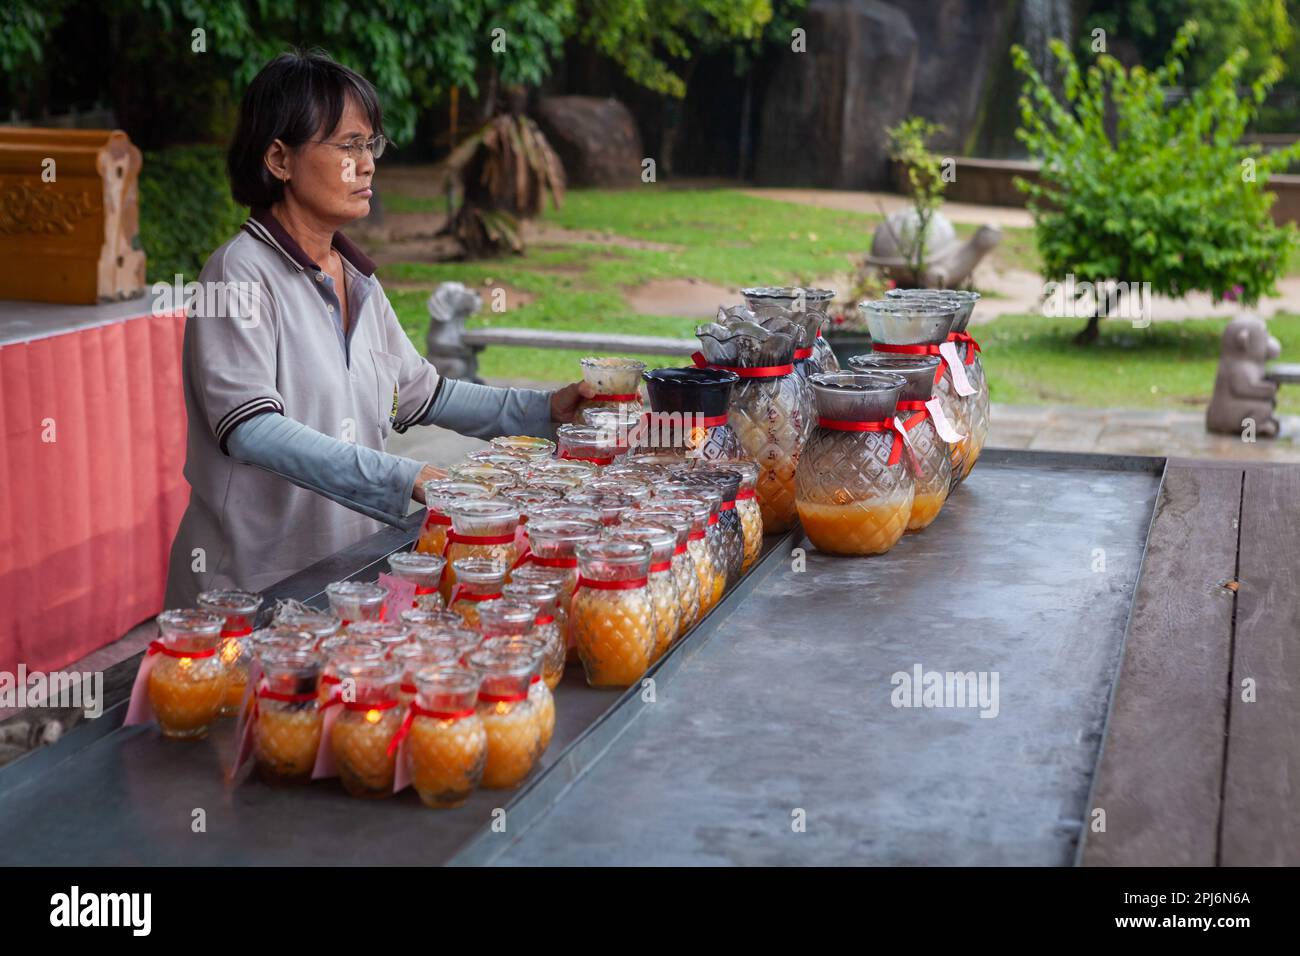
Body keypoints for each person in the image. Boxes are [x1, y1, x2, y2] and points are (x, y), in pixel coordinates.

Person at [163, 51, 589, 606]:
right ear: (279, 158)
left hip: (345, 582)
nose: (366, 165)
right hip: (248, 593)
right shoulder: (238, 272)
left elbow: (424, 394)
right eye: (347, 145)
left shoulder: (357, 277)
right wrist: (407, 477)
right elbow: (252, 429)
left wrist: (542, 412)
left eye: (371, 146)